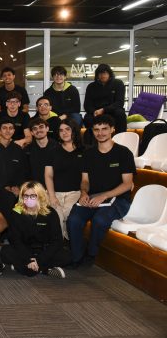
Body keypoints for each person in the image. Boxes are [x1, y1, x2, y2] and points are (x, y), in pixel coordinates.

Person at [67, 114, 135, 267]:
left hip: (118, 199)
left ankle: (91, 254)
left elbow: (127, 184)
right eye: (96, 129)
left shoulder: (123, 153)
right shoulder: (88, 154)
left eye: (104, 129)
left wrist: (104, 196)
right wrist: (84, 193)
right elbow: (85, 181)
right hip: (93, 197)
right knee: (73, 220)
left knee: (100, 220)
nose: (100, 133)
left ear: (112, 129)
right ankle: (76, 257)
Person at [0, 181, 71, 278]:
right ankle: (44, 269)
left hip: (44, 250)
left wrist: (40, 260)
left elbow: (57, 240)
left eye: (33, 196)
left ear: (40, 196)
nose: (28, 199)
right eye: (25, 196)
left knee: (68, 256)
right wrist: (28, 258)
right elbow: (15, 240)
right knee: (5, 252)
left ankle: (23, 267)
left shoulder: (50, 212)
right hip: (24, 250)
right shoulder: (16, 212)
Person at [45, 118, 84, 239]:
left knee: (67, 214)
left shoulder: (85, 150)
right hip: (55, 192)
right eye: (61, 130)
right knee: (56, 216)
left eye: (68, 129)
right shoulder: (52, 151)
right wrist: (52, 196)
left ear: (74, 131)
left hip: (75, 193)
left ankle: (64, 242)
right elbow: (48, 175)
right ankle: (61, 243)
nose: (64, 132)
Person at [83, 63, 127, 138]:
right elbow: (87, 105)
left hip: (112, 111)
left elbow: (119, 102)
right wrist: (94, 112)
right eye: (100, 73)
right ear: (97, 75)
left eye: (105, 73)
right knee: (88, 118)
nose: (103, 75)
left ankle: (120, 139)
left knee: (121, 114)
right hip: (96, 112)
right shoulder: (91, 86)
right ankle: (91, 142)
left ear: (109, 74)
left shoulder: (118, 83)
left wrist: (104, 110)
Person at [0, 118, 28, 199]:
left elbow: (22, 171)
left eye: (10, 128)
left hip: (14, 189)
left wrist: (18, 186)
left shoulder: (18, 149)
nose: (8, 131)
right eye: (4, 128)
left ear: (14, 131)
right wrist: (3, 186)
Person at [25, 118, 58, 186]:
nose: (38, 130)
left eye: (41, 127)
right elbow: (25, 172)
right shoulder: (27, 150)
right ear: (32, 133)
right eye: (35, 129)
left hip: (55, 187)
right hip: (34, 187)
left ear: (47, 128)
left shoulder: (58, 147)